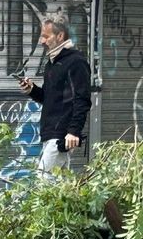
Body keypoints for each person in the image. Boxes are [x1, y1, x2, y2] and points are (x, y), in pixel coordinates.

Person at [18, 16, 92, 177]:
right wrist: (32, 90)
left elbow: (82, 99)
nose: (41, 41)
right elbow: (48, 98)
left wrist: (74, 131)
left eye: (46, 36)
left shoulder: (76, 62)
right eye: (41, 36)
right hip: (49, 133)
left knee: (44, 179)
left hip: (60, 135)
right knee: (59, 186)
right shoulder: (52, 63)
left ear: (60, 36)